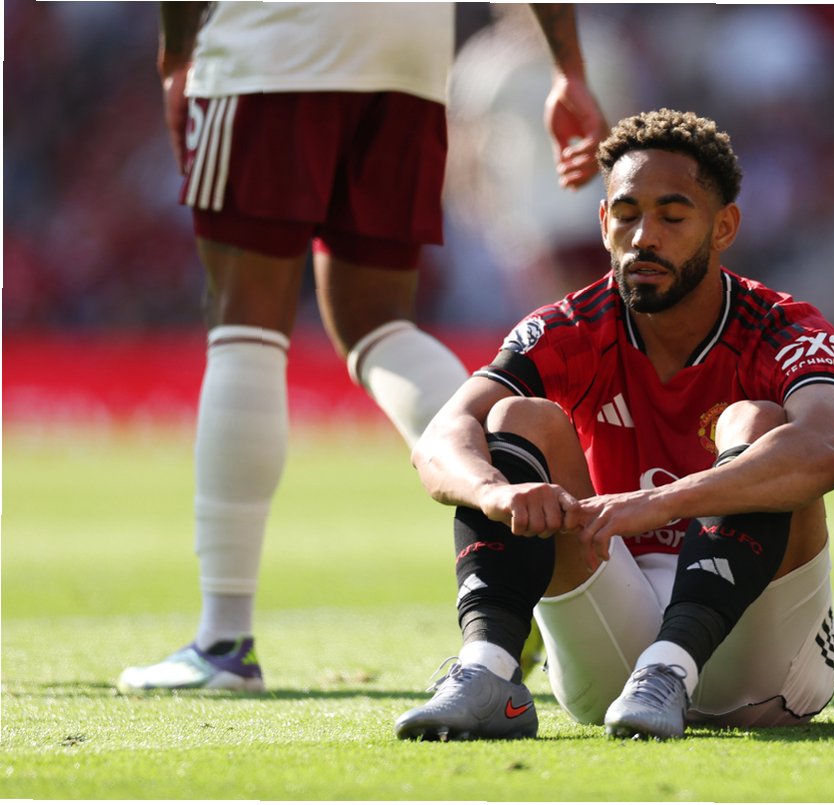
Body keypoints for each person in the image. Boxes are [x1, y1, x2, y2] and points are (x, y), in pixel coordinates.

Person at [117, 2, 607, 693]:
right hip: (407, 56)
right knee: (379, 325)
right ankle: (529, 576)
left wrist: (177, 56)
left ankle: (223, 640)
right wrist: (568, 67)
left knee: (244, 327)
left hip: (272, 42)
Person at [394, 108, 834, 741]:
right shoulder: (569, 326)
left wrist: (661, 503)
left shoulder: (782, 327)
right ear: (603, 222)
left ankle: (672, 667)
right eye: (627, 214)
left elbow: (828, 448)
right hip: (614, 647)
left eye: (672, 217)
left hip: (760, 669)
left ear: (723, 226)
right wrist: (494, 494)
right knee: (516, 417)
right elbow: (442, 437)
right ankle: (487, 671)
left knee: (757, 423)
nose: (644, 237)